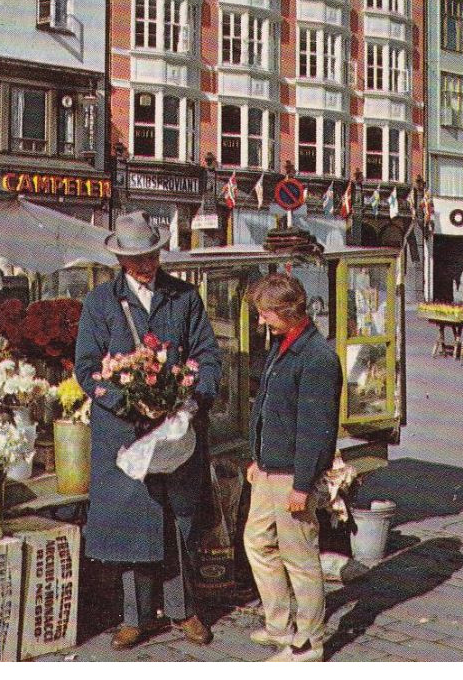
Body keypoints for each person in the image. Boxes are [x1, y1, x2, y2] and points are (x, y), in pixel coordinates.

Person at [75, 211, 221, 650]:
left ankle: (183, 610)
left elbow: (208, 355)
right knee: (130, 523)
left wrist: (194, 400)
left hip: (176, 432)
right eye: (136, 258)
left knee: (179, 520)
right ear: (121, 259)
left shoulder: (185, 298)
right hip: (123, 434)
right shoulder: (100, 303)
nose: (146, 264)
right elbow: (85, 367)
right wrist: (123, 401)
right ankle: (133, 618)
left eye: (151, 255)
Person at [241, 273, 342, 662]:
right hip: (269, 469)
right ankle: (280, 624)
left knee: (300, 558)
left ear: (287, 311)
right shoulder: (284, 345)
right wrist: (256, 457)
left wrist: (303, 485)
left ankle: (308, 644)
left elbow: (316, 430)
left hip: (291, 477)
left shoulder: (317, 357)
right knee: (257, 541)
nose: (261, 321)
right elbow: (268, 407)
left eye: (265, 314)